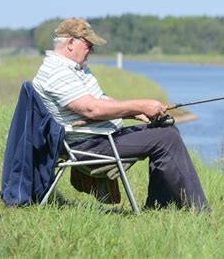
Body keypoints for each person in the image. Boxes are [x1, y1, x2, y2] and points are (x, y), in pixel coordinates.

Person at [32, 18, 210, 212]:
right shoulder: (58, 72)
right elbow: (92, 109)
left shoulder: (74, 68)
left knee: (165, 129)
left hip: (99, 137)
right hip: (87, 145)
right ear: (70, 43)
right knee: (166, 139)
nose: (91, 51)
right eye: (88, 45)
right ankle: (200, 212)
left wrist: (137, 113)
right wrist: (140, 105)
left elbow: (101, 101)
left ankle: (160, 206)